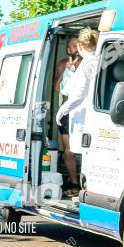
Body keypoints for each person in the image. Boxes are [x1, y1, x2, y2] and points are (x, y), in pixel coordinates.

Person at [53, 37, 82, 194]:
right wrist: (65, 70)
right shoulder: (63, 63)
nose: (74, 47)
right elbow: (57, 87)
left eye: (76, 44)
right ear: (67, 49)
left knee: (83, 148)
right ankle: (74, 183)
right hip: (66, 111)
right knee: (68, 150)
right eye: (71, 45)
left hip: (82, 112)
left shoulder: (87, 63)